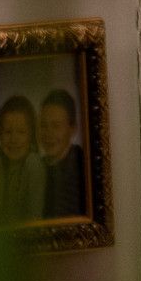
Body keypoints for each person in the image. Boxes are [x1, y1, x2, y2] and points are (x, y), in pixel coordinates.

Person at [0, 94, 45, 223]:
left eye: (21, 132)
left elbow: (35, 218)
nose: (14, 139)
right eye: (8, 132)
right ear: (0, 134)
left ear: (31, 135)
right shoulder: (1, 166)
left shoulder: (32, 163)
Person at [38, 88, 88, 218]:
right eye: (44, 125)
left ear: (73, 129)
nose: (48, 133)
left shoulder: (83, 166)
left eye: (56, 126)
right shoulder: (38, 166)